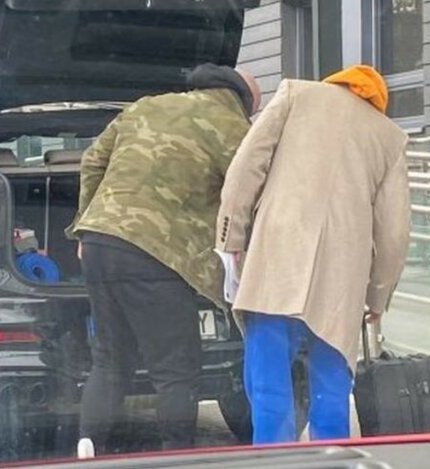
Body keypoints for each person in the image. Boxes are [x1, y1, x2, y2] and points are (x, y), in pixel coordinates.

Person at [66, 63, 261, 454]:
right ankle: (176, 454)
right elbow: (248, 194)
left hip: (100, 242)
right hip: (156, 253)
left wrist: (83, 224)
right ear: (243, 101)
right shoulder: (232, 127)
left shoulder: (146, 106)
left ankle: (88, 447)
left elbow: (91, 161)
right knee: (176, 370)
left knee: (110, 360)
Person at [216, 65, 410, 444]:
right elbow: (394, 232)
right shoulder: (389, 137)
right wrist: (377, 297)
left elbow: (246, 167)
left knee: (268, 382)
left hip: (277, 257)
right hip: (341, 279)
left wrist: (231, 237)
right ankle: (329, 457)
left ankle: (271, 459)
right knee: (330, 388)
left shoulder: (294, 95)